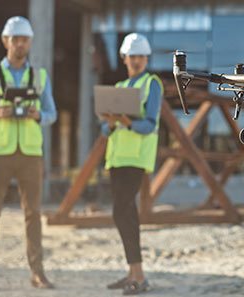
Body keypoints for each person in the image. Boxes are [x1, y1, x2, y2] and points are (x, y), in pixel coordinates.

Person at [0, 16, 57, 292]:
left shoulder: (40, 77)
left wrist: (38, 114)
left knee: (33, 214)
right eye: (15, 39)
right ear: (6, 41)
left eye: (25, 39)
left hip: (30, 153)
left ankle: (37, 273)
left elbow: (51, 113)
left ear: (30, 43)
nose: (20, 44)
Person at [100, 33, 163, 295]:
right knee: (126, 214)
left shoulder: (152, 84)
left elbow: (150, 125)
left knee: (121, 212)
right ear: (124, 58)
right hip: (117, 159)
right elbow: (105, 131)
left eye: (141, 56)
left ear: (146, 58)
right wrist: (112, 122)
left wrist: (127, 123)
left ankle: (139, 275)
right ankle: (132, 273)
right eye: (132, 56)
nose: (136, 60)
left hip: (136, 159)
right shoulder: (120, 85)